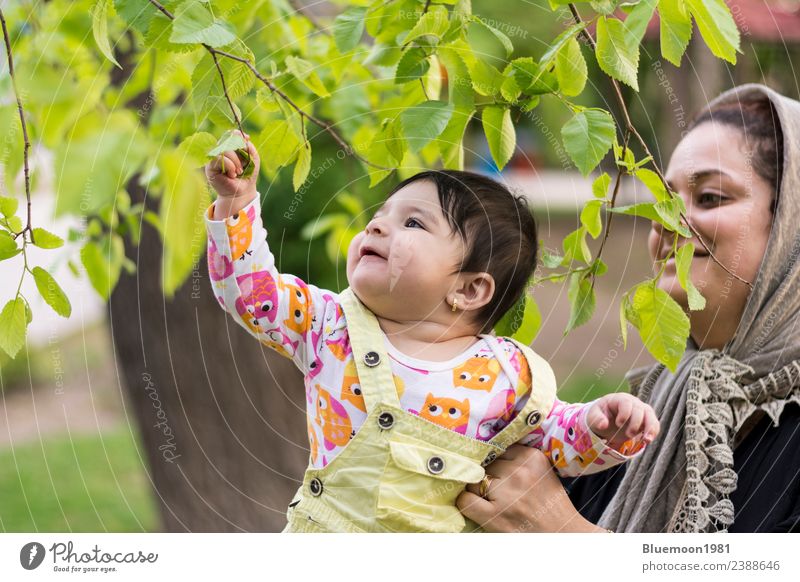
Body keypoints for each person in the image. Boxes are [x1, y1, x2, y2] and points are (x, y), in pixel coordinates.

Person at [203, 134, 660, 532]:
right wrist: (235, 205)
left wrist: (603, 427)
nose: (376, 225)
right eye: (381, 215)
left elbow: (558, 442)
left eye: (413, 223)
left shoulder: (508, 374)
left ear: (470, 288)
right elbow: (251, 295)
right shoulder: (330, 325)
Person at [458, 84, 800, 533]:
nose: (669, 223)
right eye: (664, 200)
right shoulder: (637, 420)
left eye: (711, 197)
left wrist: (565, 536)